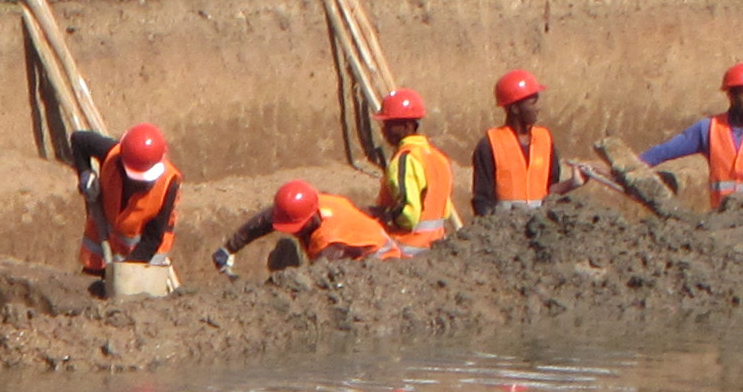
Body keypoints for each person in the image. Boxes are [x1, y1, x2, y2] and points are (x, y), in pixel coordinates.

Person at [640, 65, 743, 206]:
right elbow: (666, 150)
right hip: (725, 223)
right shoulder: (709, 129)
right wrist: (633, 168)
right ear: (731, 95)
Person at [69, 121, 180, 298]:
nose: (141, 184)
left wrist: (124, 272)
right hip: (104, 238)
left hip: (145, 252)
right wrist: (85, 173)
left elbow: (153, 237)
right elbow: (79, 140)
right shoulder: (113, 154)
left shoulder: (168, 184)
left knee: (136, 300)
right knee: (89, 294)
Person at [210, 177, 402, 269]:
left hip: (381, 265)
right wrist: (229, 248)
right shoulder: (311, 202)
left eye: (297, 228)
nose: (294, 233)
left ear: (310, 219)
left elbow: (319, 280)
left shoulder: (328, 241)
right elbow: (264, 220)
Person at [470, 70, 565, 212]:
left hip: (540, 229)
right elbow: (482, 200)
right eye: (532, 103)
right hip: (505, 229)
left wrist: (573, 183)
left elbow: (551, 189)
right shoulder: (490, 144)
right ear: (515, 109)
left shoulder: (545, 140)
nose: (538, 108)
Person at [371, 88, 454, 244]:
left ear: (408, 126)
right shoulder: (438, 157)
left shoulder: (406, 158)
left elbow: (410, 214)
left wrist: (383, 215)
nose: (384, 131)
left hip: (407, 247)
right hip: (437, 245)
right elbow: (446, 209)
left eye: (390, 125)